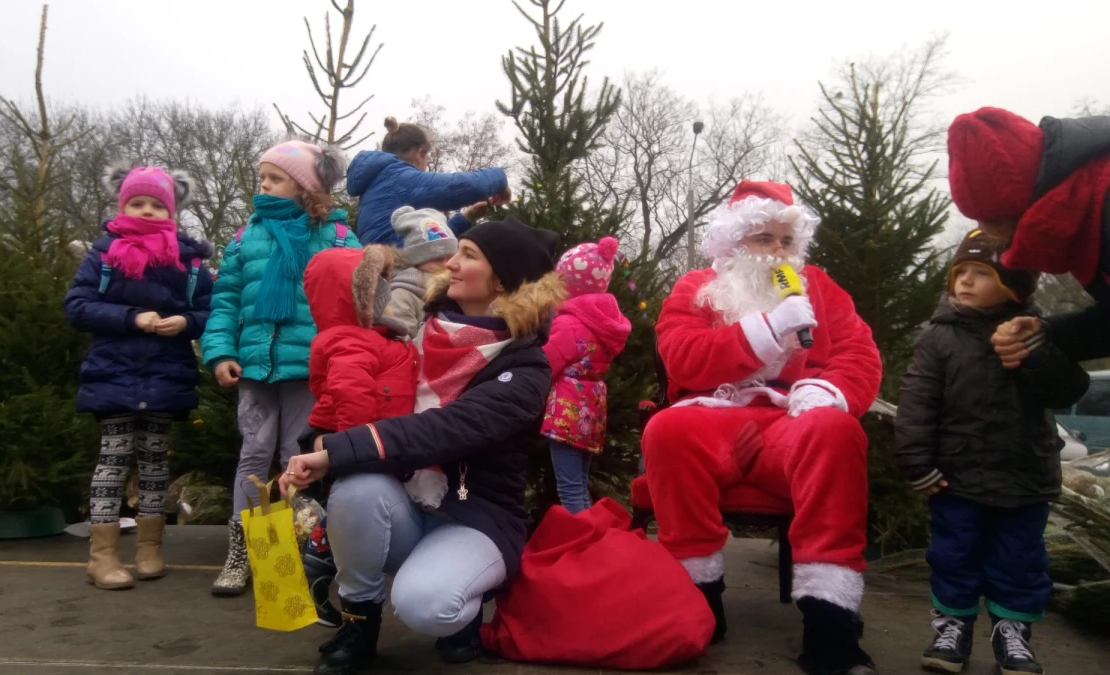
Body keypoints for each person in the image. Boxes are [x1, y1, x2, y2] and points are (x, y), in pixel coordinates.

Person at [280, 218, 563, 675]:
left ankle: (463, 606)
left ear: (504, 281)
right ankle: (359, 623)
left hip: (479, 516)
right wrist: (316, 441)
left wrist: (336, 449)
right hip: (404, 502)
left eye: (469, 255)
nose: (450, 262)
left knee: (427, 606)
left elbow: (448, 428)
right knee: (356, 487)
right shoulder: (411, 338)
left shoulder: (526, 367)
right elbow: (346, 406)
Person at [641, 180, 882, 675]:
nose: (777, 253)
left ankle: (829, 621)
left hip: (789, 423)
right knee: (665, 431)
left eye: (786, 242)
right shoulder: (695, 288)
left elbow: (859, 353)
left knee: (836, 432)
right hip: (714, 418)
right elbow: (681, 357)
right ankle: (700, 598)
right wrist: (767, 331)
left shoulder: (817, 287)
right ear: (734, 243)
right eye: (763, 239)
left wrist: (827, 392)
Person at [896, 230, 1088, 675]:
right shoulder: (939, 338)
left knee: (1019, 560)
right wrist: (916, 461)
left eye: (981, 273)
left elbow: (1067, 389)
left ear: (1012, 285)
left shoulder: (1039, 333)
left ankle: (1012, 634)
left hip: (1026, 475)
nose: (964, 281)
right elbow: (917, 402)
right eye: (960, 272)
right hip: (957, 476)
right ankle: (952, 628)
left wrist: (1036, 354)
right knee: (953, 554)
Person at [200, 140, 360, 596]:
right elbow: (226, 298)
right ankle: (245, 552)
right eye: (262, 177)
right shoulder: (246, 237)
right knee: (253, 453)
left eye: (275, 178)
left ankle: (290, 554)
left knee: (297, 457)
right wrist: (220, 350)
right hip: (254, 364)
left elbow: (358, 296)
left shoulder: (338, 236)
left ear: (304, 187)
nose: (263, 186)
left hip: (309, 368)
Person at [65, 164, 213, 590]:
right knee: (112, 460)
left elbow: (209, 310)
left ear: (172, 210)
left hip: (166, 374)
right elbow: (77, 306)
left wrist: (184, 323)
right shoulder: (105, 252)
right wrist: (134, 318)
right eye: (137, 202)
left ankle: (150, 549)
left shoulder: (188, 261)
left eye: (156, 204)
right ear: (122, 204)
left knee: (154, 462)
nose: (147, 211)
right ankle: (103, 556)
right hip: (113, 371)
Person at [300, 244, 418, 625]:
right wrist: (358, 448)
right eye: (376, 283)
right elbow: (352, 400)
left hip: (374, 444)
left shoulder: (376, 336)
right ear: (356, 294)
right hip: (363, 448)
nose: (386, 289)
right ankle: (322, 565)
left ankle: (320, 559)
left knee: (345, 517)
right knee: (351, 508)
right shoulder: (349, 341)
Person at [945, 108, 1110, 367]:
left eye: (991, 220)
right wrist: (1046, 333)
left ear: (1023, 212)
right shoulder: (1084, 212)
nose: (985, 232)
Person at [541, 236, 631, 513]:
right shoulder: (603, 323)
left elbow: (545, 363)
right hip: (592, 407)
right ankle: (590, 536)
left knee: (568, 486)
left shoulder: (568, 323)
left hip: (567, 408)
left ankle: (580, 544)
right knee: (579, 482)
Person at [346, 117, 512, 245]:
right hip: (401, 279)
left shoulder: (379, 184)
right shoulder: (400, 179)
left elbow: (423, 246)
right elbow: (467, 186)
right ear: (419, 153)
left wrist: (467, 217)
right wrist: (500, 177)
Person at [377, 206, 458, 339]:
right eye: (437, 259)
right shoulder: (402, 295)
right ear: (418, 261)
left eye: (451, 257)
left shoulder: (459, 287)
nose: (446, 265)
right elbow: (403, 343)